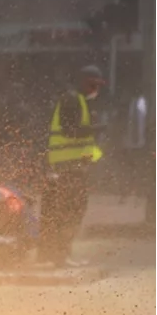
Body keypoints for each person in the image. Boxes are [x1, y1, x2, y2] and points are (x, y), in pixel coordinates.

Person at [40, 65, 106, 268]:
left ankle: (59, 253)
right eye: (93, 83)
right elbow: (70, 131)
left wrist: (92, 158)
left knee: (70, 210)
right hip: (66, 168)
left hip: (72, 168)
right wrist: (94, 129)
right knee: (69, 210)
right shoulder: (72, 99)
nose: (96, 88)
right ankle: (58, 254)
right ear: (83, 81)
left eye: (98, 85)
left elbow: (82, 141)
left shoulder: (81, 102)